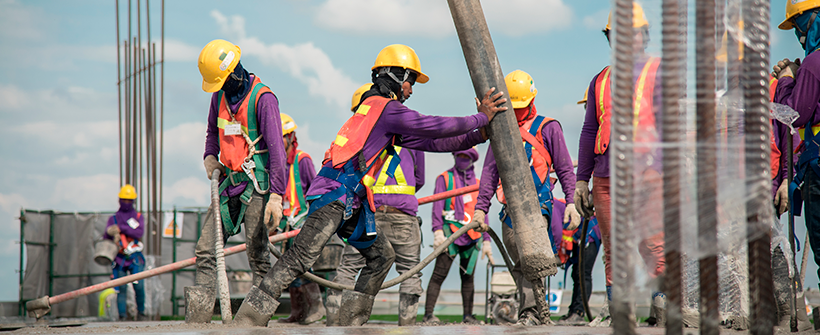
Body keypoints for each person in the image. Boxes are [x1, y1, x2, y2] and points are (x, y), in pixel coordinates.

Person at [232, 43, 506, 327]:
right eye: (410, 81)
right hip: (334, 196)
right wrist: (481, 117)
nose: (411, 90)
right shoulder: (385, 109)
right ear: (396, 77)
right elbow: (433, 126)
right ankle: (249, 319)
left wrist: (478, 134)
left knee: (381, 256)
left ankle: (353, 321)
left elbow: (432, 142)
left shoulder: (375, 113)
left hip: (348, 201)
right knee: (300, 257)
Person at [575, 3, 667, 326]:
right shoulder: (599, 81)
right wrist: (581, 181)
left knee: (653, 243)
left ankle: (662, 308)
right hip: (606, 178)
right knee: (614, 248)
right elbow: (589, 131)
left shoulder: (659, 72)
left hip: (648, 174)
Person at [185, 39, 287, 323]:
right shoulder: (218, 97)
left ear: (234, 73)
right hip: (229, 186)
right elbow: (211, 131)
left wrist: (277, 197)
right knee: (206, 250)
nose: (218, 88)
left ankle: (254, 321)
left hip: (256, 187)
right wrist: (209, 155)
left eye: (221, 82)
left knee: (258, 255)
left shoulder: (263, 99)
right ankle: (199, 321)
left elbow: (278, 152)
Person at [473, 69, 579, 326]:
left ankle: (531, 313)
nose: (517, 112)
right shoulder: (499, 129)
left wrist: (572, 203)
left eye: (521, 106)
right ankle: (535, 313)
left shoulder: (548, 128)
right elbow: (489, 172)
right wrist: (480, 209)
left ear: (532, 101)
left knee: (531, 262)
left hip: (537, 208)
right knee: (521, 265)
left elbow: (564, 167)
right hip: (509, 211)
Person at [326, 83, 428, 326]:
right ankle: (407, 327)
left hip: (366, 214)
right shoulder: (412, 136)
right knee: (410, 271)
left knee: (350, 266)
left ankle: (334, 325)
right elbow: (419, 179)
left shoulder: (355, 139)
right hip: (402, 215)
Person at [423, 148, 492, 325]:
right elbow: (437, 206)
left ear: (472, 159)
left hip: (472, 236)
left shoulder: (478, 183)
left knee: (468, 277)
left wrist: (486, 241)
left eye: (466, 156)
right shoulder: (444, 179)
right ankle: (428, 314)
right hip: (450, 234)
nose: (462, 159)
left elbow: (483, 212)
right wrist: (437, 231)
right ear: (454, 156)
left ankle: (468, 316)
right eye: (460, 155)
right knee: (439, 274)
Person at [274, 113, 326, 324]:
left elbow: (314, 189)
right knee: (288, 266)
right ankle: (298, 312)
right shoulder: (275, 162)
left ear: (290, 137)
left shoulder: (302, 160)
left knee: (303, 265)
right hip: (285, 223)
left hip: (302, 220)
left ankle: (316, 307)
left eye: (281, 138)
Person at [103, 184, 147, 321]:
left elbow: (139, 232)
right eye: (124, 199)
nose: (126, 202)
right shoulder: (113, 219)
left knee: (138, 286)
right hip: (119, 258)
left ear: (133, 201)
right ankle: (122, 316)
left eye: (129, 200)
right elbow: (106, 238)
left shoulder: (138, 217)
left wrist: (122, 228)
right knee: (120, 289)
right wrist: (109, 232)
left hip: (135, 257)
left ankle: (141, 313)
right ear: (119, 200)